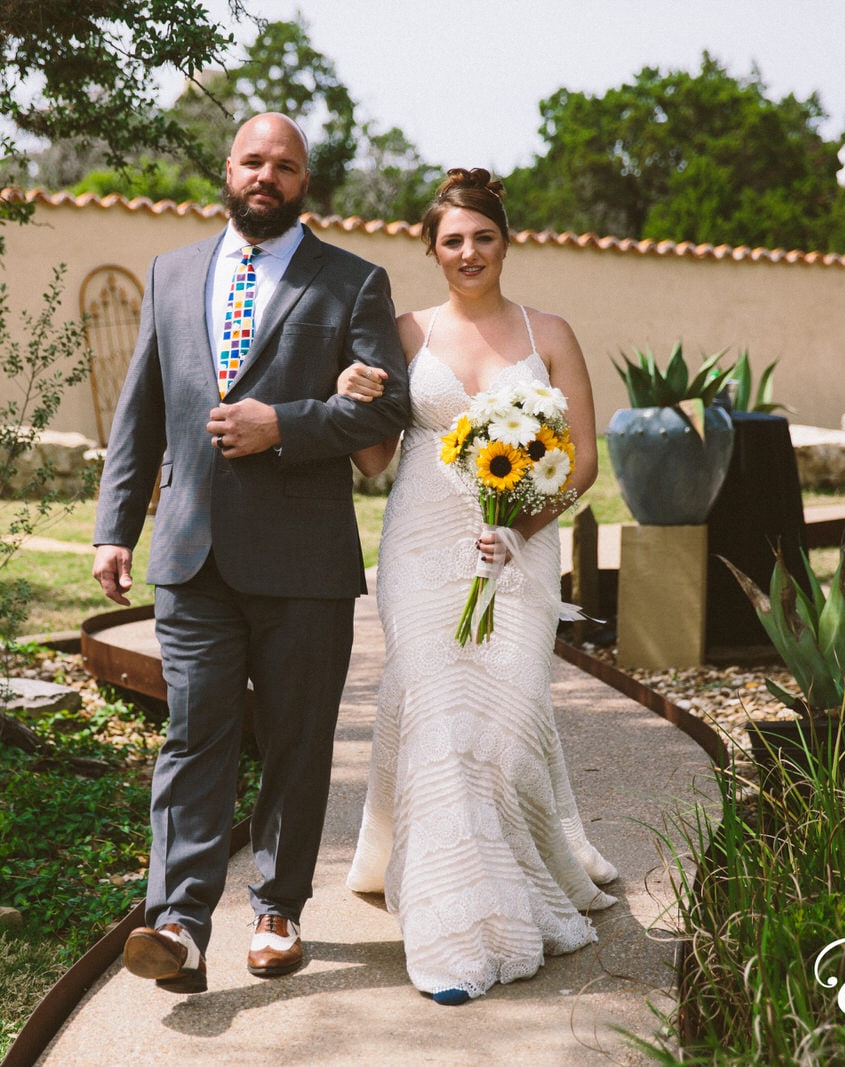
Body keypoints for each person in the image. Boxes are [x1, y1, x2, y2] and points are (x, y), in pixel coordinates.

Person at [92, 112, 410, 995]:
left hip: (304, 562)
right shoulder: (170, 272)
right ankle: (180, 926)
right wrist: (115, 527)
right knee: (194, 736)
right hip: (191, 554)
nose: (266, 175)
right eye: (253, 160)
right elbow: (140, 414)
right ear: (228, 169)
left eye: (286, 165)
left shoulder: (354, 282)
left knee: (298, 741)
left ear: (307, 182)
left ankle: (278, 908)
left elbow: (387, 411)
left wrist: (288, 423)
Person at [335, 168, 618, 1005]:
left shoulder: (551, 332)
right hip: (422, 544)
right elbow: (376, 458)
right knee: (433, 705)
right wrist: (348, 399)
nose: (468, 252)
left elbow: (586, 459)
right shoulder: (404, 330)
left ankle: (515, 873)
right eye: (451, 240)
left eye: (482, 237)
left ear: (506, 241)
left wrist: (522, 527)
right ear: (431, 249)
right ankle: (453, 926)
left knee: (505, 716)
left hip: (521, 550)